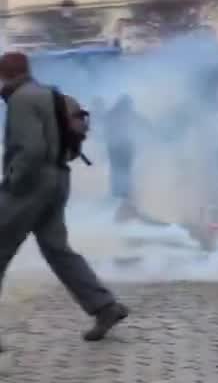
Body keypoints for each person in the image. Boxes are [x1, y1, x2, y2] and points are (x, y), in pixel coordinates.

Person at [0, 51, 129, 347]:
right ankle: (105, 307)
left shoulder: (21, 99)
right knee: (58, 250)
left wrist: (13, 182)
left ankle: (104, 306)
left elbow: (31, 149)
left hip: (32, 184)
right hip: (58, 178)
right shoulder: (48, 94)